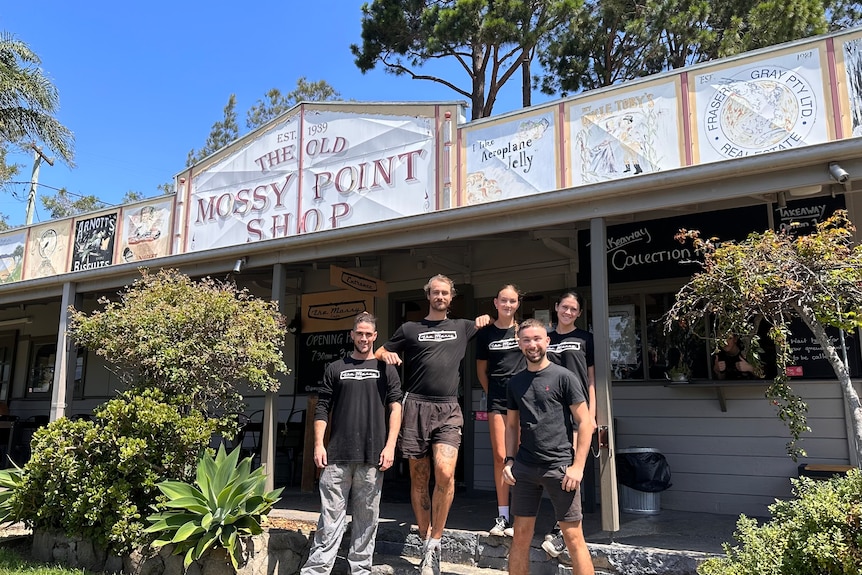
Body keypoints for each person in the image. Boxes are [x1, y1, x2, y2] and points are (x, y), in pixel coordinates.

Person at [376, 274, 491, 575]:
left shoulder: (463, 327)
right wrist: (386, 352)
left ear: (452, 297)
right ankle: (427, 542)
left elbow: (496, 322)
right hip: (415, 406)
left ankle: (435, 542)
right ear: (428, 296)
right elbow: (378, 352)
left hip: (448, 408)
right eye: (435, 293)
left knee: (444, 472)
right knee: (419, 477)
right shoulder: (410, 329)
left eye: (445, 293)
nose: (440, 297)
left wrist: (489, 316)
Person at [301, 312, 403, 575]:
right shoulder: (336, 368)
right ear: (352, 335)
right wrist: (318, 445)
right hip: (336, 455)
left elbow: (395, 408)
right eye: (360, 333)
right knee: (329, 518)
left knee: (367, 520)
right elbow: (322, 408)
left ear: (375, 336)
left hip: (373, 456)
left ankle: (360, 570)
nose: (364, 338)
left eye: (369, 334)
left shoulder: (386, 369)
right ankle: (317, 570)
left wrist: (390, 446)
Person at [502, 319, 596, 575]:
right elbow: (511, 426)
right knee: (520, 536)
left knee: (573, 538)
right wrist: (509, 460)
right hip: (525, 468)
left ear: (547, 341)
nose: (532, 345)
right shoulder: (515, 382)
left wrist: (577, 467)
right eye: (526, 340)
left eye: (537, 339)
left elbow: (586, 423)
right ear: (519, 344)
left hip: (560, 469)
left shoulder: (564, 377)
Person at [543, 291, 596, 557]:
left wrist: (592, 415)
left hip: (577, 411)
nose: (568, 312)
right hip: (550, 414)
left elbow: (591, 380)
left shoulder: (586, 339)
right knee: (555, 469)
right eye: (565, 307)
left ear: (578, 313)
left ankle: (564, 530)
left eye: (573, 309)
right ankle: (561, 526)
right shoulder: (546, 338)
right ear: (556, 308)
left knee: (571, 470)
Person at [475, 284, 525, 536]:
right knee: (500, 457)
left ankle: (521, 515)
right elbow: (481, 371)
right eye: (503, 300)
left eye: (512, 301)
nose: (508, 305)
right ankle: (503, 516)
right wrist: (492, 392)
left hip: (524, 402)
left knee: (521, 457)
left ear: (517, 304)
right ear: (495, 302)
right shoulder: (485, 334)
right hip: (497, 402)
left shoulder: (523, 331)